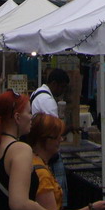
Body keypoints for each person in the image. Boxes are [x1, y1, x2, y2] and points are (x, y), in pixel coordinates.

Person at [29, 113, 105, 210]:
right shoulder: (41, 173)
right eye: (56, 137)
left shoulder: (35, 162)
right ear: (44, 139)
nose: (60, 140)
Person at [31, 69, 71, 200]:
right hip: (46, 150)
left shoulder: (37, 93)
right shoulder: (47, 101)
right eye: (62, 87)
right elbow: (55, 129)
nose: (63, 91)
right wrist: (68, 128)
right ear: (54, 84)